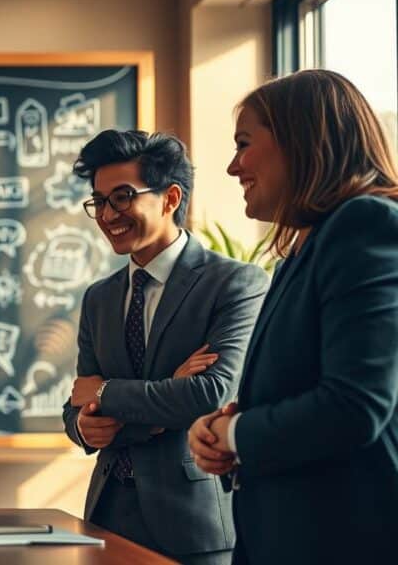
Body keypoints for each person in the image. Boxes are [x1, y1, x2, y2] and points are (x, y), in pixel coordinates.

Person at [188, 69, 398, 563]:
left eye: (244, 143)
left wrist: (235, 434)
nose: (232, 167)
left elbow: (355, 404)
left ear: (302, 140)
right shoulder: (299, 251)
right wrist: (231, 426)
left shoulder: (364, 224)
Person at [62, 130, 268, 564]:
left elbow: (208, 395)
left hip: (192, 526)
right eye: (98, 202)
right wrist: (84, 425)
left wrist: (107, 396)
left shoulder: (235, 283)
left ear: (170, 198)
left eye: (121, 197)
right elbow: (79, 401)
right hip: (106, 517)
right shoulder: (99, 297)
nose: (106, 214)